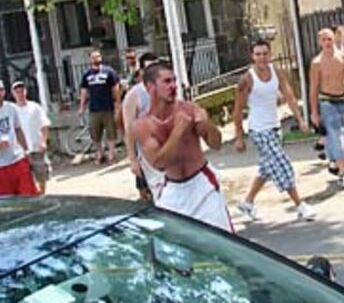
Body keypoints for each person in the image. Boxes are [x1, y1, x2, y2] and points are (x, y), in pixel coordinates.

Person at [133, 62, 232, 232]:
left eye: (174, 81)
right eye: (166, 82)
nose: (173, 86)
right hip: (173, 189)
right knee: (174, 247)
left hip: (202, 184)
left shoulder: (189, 109)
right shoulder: (143, 125)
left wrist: (207, 124)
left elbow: (216, 144)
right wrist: (178, 131)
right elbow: (159, 163)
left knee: (223, 243)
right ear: (150, 87)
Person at [233, 40, 316, 222]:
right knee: (282, 165)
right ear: (252, 56)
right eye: (258, 54)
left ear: (270, 55)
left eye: (265, 54)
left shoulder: (277, 72)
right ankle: (300, 205)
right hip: (259, 129)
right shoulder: (247, 79)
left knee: (267, 168)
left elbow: (289, 96)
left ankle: (248, 202)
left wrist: (300, 119)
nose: (262, 58)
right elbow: (237, 110)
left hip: (274, 126)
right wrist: (239, 137)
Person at [309, 28, 344, 190]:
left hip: (343, 100)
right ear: (319, 43)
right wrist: (314, 112)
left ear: (334, 39)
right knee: (337, 135)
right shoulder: (317, 63)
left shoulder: (343, 57)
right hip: (327, 102)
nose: (327, 43)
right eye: (324, 40)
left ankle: (334, 162)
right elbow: (313, 89)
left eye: (329, 39)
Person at [0, 77, 38, 196]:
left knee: (28, 194)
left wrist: (26, 151)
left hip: (16, 158)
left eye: (1, 90)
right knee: (3, 202)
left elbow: (18, 130)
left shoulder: (11, 108)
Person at [122, 52, 163, 202]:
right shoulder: (134, 95)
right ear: (142, 72)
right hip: (149, 154)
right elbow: (129, 130)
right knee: (160, 193)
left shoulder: (166, 88)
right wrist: (132, 159)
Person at [78, 50, 121, 164]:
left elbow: (115, 88)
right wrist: (81, 106)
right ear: (90, 59)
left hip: (108, 107)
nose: (95, 59)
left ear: (101, 58)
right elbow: (83, 91)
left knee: (111, 132)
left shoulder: (109, 72)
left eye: (97, 57)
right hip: (94, 108)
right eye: (93, 57)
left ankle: (111, 155)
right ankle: (100, 153)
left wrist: (117, 104)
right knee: (95, 133)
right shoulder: (87, 74)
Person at [11, 81, 52, 195]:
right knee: (25, 177)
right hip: (20, 151)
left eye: (22, 91)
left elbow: (44, 125)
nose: (20, 94)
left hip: (36, 146)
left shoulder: (35, 107)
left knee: (41, 175)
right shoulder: (12, 110)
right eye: (17, 92)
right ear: (13, 94)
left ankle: (42, 195)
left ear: (26, 91)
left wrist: (43, 142)